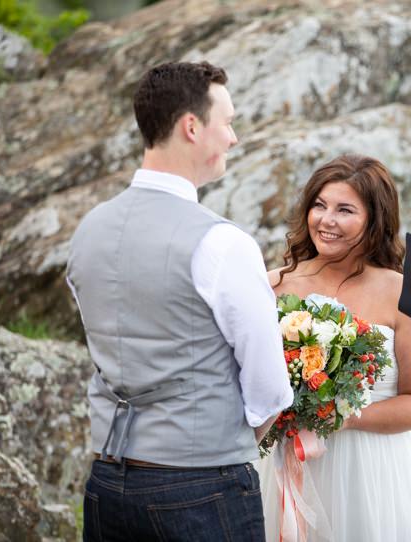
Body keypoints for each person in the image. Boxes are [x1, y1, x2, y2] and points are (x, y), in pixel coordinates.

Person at [65, 60, 293, 540]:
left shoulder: (88, 231)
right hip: (200, 487)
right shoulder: (221, 243)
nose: (232, 137)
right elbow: (270, 388)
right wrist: (217, 451)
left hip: (107, 479)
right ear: (192, 127)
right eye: (227, 122)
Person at [256, 155, 411, 540]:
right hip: (287, 464)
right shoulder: (273, 285)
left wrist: (332, 413)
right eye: (319, 206)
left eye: (344, 210)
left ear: (375, 220)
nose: (327, 220)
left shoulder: (410, 295)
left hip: (374, 473)